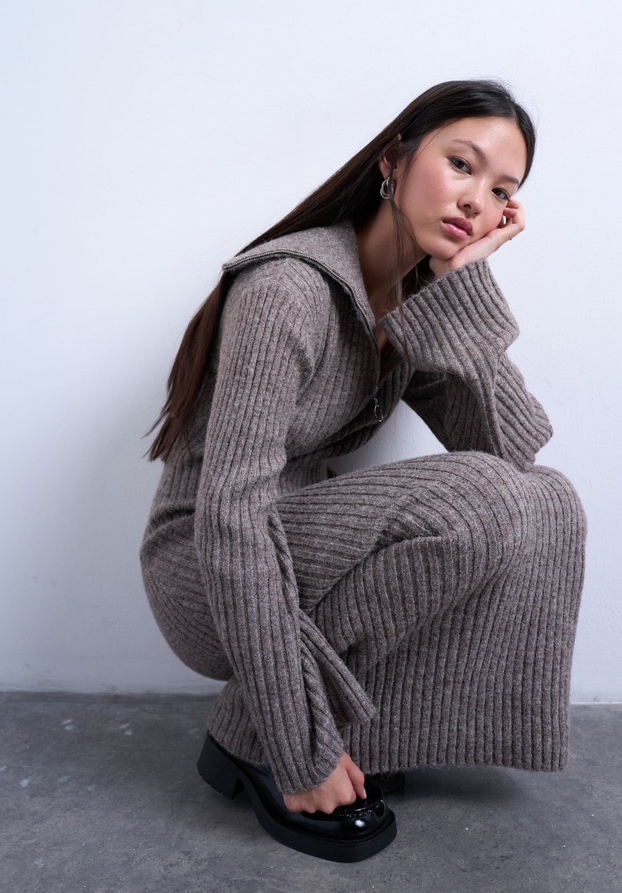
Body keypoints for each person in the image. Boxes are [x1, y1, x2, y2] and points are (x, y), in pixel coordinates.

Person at [140, 80, 586, 861]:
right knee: (478, 499)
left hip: (289, 556)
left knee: (549, 501)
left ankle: (347, 730)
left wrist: (460, 289)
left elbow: (512, 451)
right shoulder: (287, 290)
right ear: (393, 160)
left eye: (501, 190)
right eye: (461, 164)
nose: (476, 198)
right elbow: (231, 515)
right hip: (204, 568)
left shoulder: (412, 305)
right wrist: (298, 751)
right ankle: (271, 735)